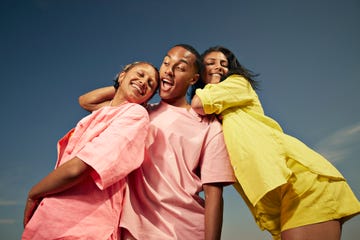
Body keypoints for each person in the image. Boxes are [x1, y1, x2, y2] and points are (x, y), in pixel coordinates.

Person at [190, 46, 360, 240]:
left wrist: (209, 84)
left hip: (301, 182)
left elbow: (199, 104)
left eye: (224, 64)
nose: (219, 67)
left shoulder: (238, 84)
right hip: (282, 199)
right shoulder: (213, 119)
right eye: (210, 63)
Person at [79, 44, 236, 240]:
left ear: (193, 79)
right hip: (134, 231)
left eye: (179, 67)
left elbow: (214, 196)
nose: (168, 70)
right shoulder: (139, 113)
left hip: (183, 231)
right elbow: (87, 102)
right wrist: (129, 83)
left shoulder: (209, 125)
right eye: (166, 62)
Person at [22, 61, 160, 240]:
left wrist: (33, 194)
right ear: (122, 75)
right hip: (50, 220)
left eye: (150, 84)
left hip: (85, 227)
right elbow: (85, 100)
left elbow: (78, 168)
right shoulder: (106, 111)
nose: (144, 82)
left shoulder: (135, 114)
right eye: (140, 74)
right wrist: (121, 85)